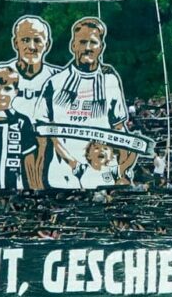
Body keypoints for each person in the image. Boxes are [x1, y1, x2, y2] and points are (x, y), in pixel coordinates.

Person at [42, 17, 133, 188]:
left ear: (101, 47)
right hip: (62, 178)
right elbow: (46, 132)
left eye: (93, 42)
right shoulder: (55, 82)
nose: (88, 48)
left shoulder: (110, 81)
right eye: (82, 42)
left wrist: (123, 172)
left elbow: (119, 129)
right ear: (73, 46)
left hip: (104, 177)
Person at [0, 15, 63, 125]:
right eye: (25, 40)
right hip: (10, 138)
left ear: (47, 45)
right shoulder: (0, 74)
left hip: (45, 138)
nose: (31, 46)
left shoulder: (60, 78)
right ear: (15, 43)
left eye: (37, 40)